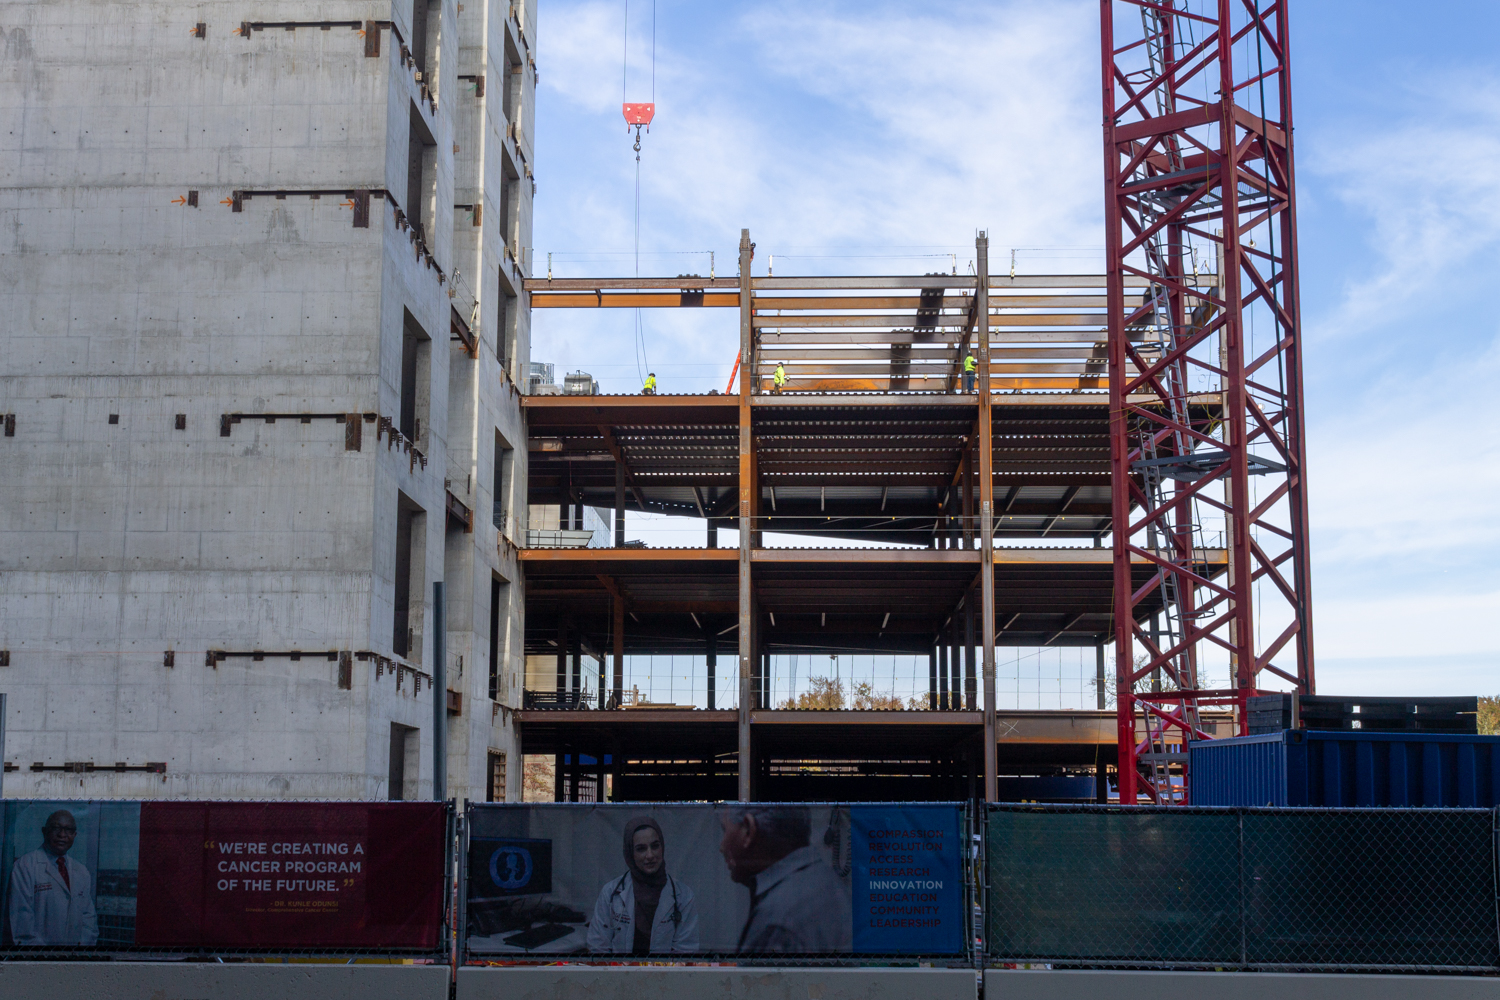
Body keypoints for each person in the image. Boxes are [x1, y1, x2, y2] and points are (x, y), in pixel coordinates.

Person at [718, 805, 850, 953]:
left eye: (725, 831)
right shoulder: (827, 882)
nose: (722, 846)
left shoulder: (775, 922)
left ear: (749, 831)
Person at [586, 816, 699, 954]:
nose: (650, 855)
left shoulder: (683, 897)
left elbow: (685, 952)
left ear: (662, 847)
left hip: (666, 975)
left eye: (655, 846)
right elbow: (598, 947)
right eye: (641, 849)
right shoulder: (610, 893)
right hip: (617, 974)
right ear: (630, 853)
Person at [8, 809, 98, 946]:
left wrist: (79, 953)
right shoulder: (25, 866)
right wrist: (48, 958)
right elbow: (22, 924)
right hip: (37, 960)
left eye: (68, 830)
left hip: (76, 960)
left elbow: (88, 921)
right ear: (44, 831)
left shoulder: (81, 872)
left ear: (75, 835)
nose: (62, 835)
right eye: (56, 828)